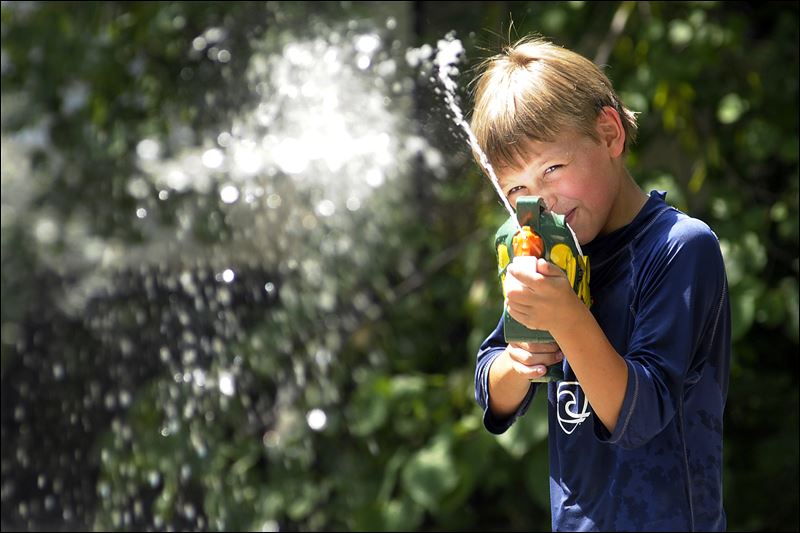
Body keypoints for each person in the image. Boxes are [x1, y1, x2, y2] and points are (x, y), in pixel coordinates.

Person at [470, 37, 731, 532]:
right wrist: (521, 359)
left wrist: (567, 318)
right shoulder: (549, 249)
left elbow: (639, 416)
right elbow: (492, 390)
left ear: (610, 133)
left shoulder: (680, 248)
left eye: (553, 169)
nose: (540, 201)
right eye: (517, 189)